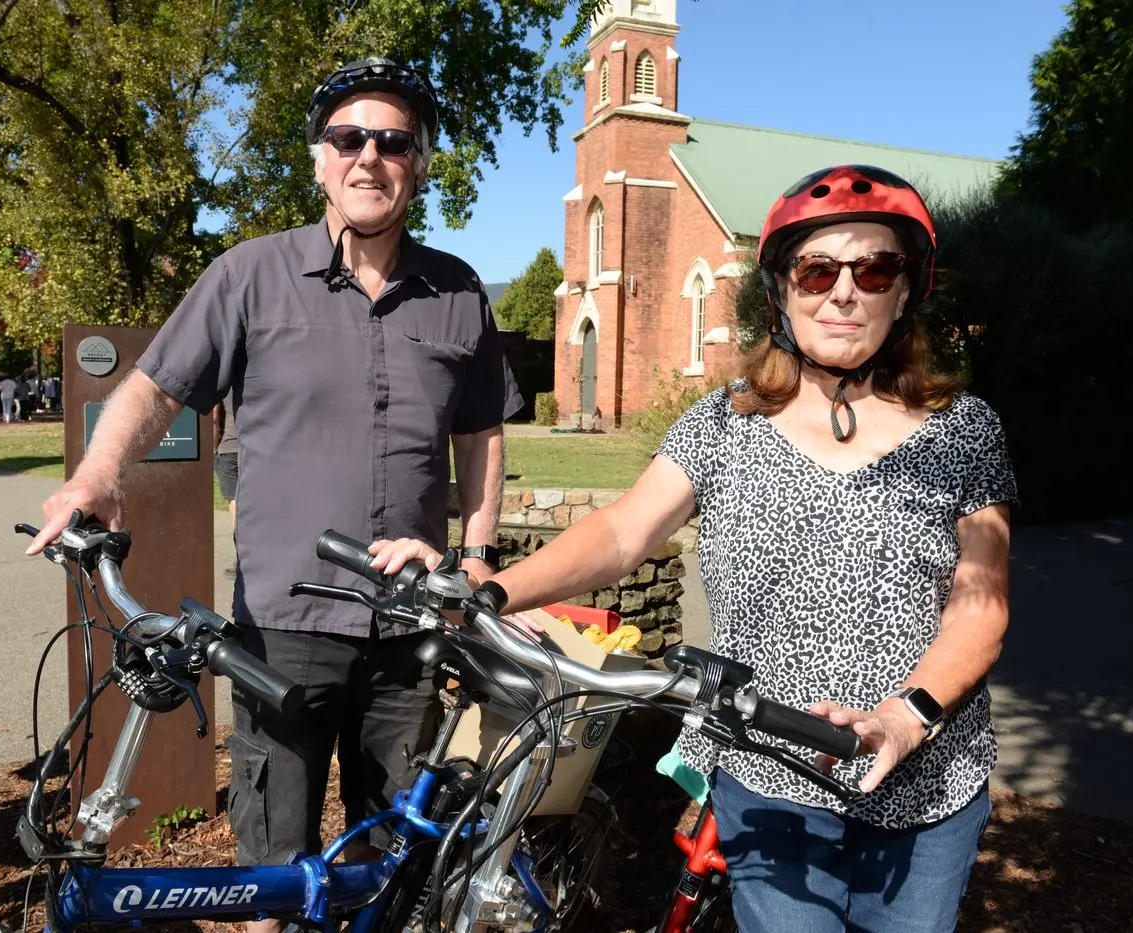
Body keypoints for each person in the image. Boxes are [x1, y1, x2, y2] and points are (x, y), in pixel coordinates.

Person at [372, 165, 1017, 933]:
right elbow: (622, 531)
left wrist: (909, 715)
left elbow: (982, 606)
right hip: (771, 781)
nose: (844, 291)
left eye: (874, 269)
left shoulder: (964, 430)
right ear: (781, 289)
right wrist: (494, 591)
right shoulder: (724, 424)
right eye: (817, 269)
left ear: (906, 291)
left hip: (927, 790)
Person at [27, 56, 521, 928]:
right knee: (273, 870)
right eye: (348, 137)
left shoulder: (458, 293)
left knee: (390, 863)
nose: (369, 156)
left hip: (411, 627)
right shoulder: (249, 275)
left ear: (419, 161)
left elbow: (481, 435)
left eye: (393, 140)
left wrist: (478, 556)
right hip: (281, 631)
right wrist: (98, 474)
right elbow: (153, 386)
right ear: (319, 158)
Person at [212, 392, 239, 581]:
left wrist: (213, 448)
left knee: (236, 506)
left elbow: (214, 418)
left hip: (230, 449)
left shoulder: (226, 383)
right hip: (256, 448)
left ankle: (243, 561)